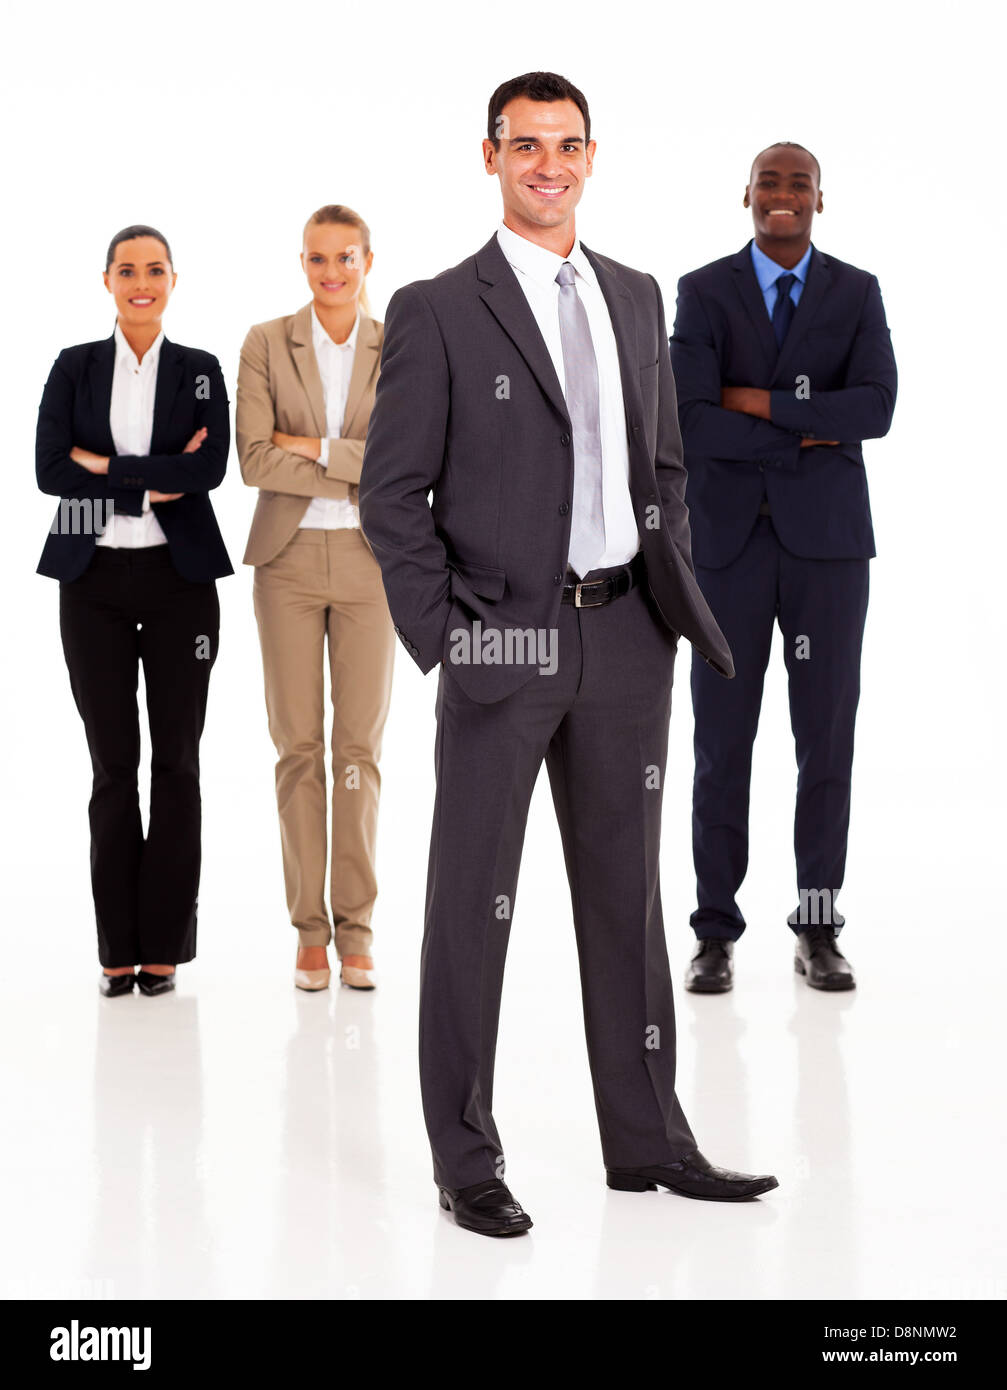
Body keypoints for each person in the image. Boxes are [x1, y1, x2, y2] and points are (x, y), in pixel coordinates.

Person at [359, 72, 778, 1237]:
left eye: (567, 144)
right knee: (469, 908)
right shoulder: (440, 308)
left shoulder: (637, 296)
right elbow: (392, 495)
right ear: (488, 155)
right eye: (524, 144)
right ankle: (465, 1160)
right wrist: (452, 638)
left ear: (592, 156)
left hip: (627, 638)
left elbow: (665, 469)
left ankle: (646, 1142)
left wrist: (664, 597)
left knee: (624, 903)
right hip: (506, 642)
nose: (548, 163)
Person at [670, 143, 897, 994]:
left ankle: (817, 926)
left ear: (818, 200)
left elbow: (875, 407)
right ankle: (714, 932)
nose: (783, 195)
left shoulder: (855, 291)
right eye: (770, 181)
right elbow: (689, 421)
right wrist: (809, 424)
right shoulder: (702, 290)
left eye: (797, 183)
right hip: (726, 548)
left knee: (824, 742)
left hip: (828, 552)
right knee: (720, 744)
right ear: (746, 195)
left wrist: (758, 401)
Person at [36, 225, 232, 997]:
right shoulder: (73, 366)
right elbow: (51, 470)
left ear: (173, 280)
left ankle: (165, 950)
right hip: (89, 576)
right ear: (108, 281)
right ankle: (117, 949)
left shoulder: (200, 371)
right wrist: (153, 478)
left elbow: (208, 468)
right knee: (112, 766)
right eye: (127, 270)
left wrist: (107, 467)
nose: (141, 281)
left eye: (155, 269)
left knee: (177, 763)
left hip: (180, 578)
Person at [236, 206, 394, 993]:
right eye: (317, 259)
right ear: (302, 262)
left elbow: (405, 461)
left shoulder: (397, 343)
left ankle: (357, 928)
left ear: (368, 260)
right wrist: (347, 461)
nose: (330, 272)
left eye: (344, 258)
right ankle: (308, 931)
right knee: (298, 747)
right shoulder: (267, 341)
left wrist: (317, 448)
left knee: (358, 752)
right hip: (288, 561)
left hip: (372, 564)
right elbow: (255, 460)